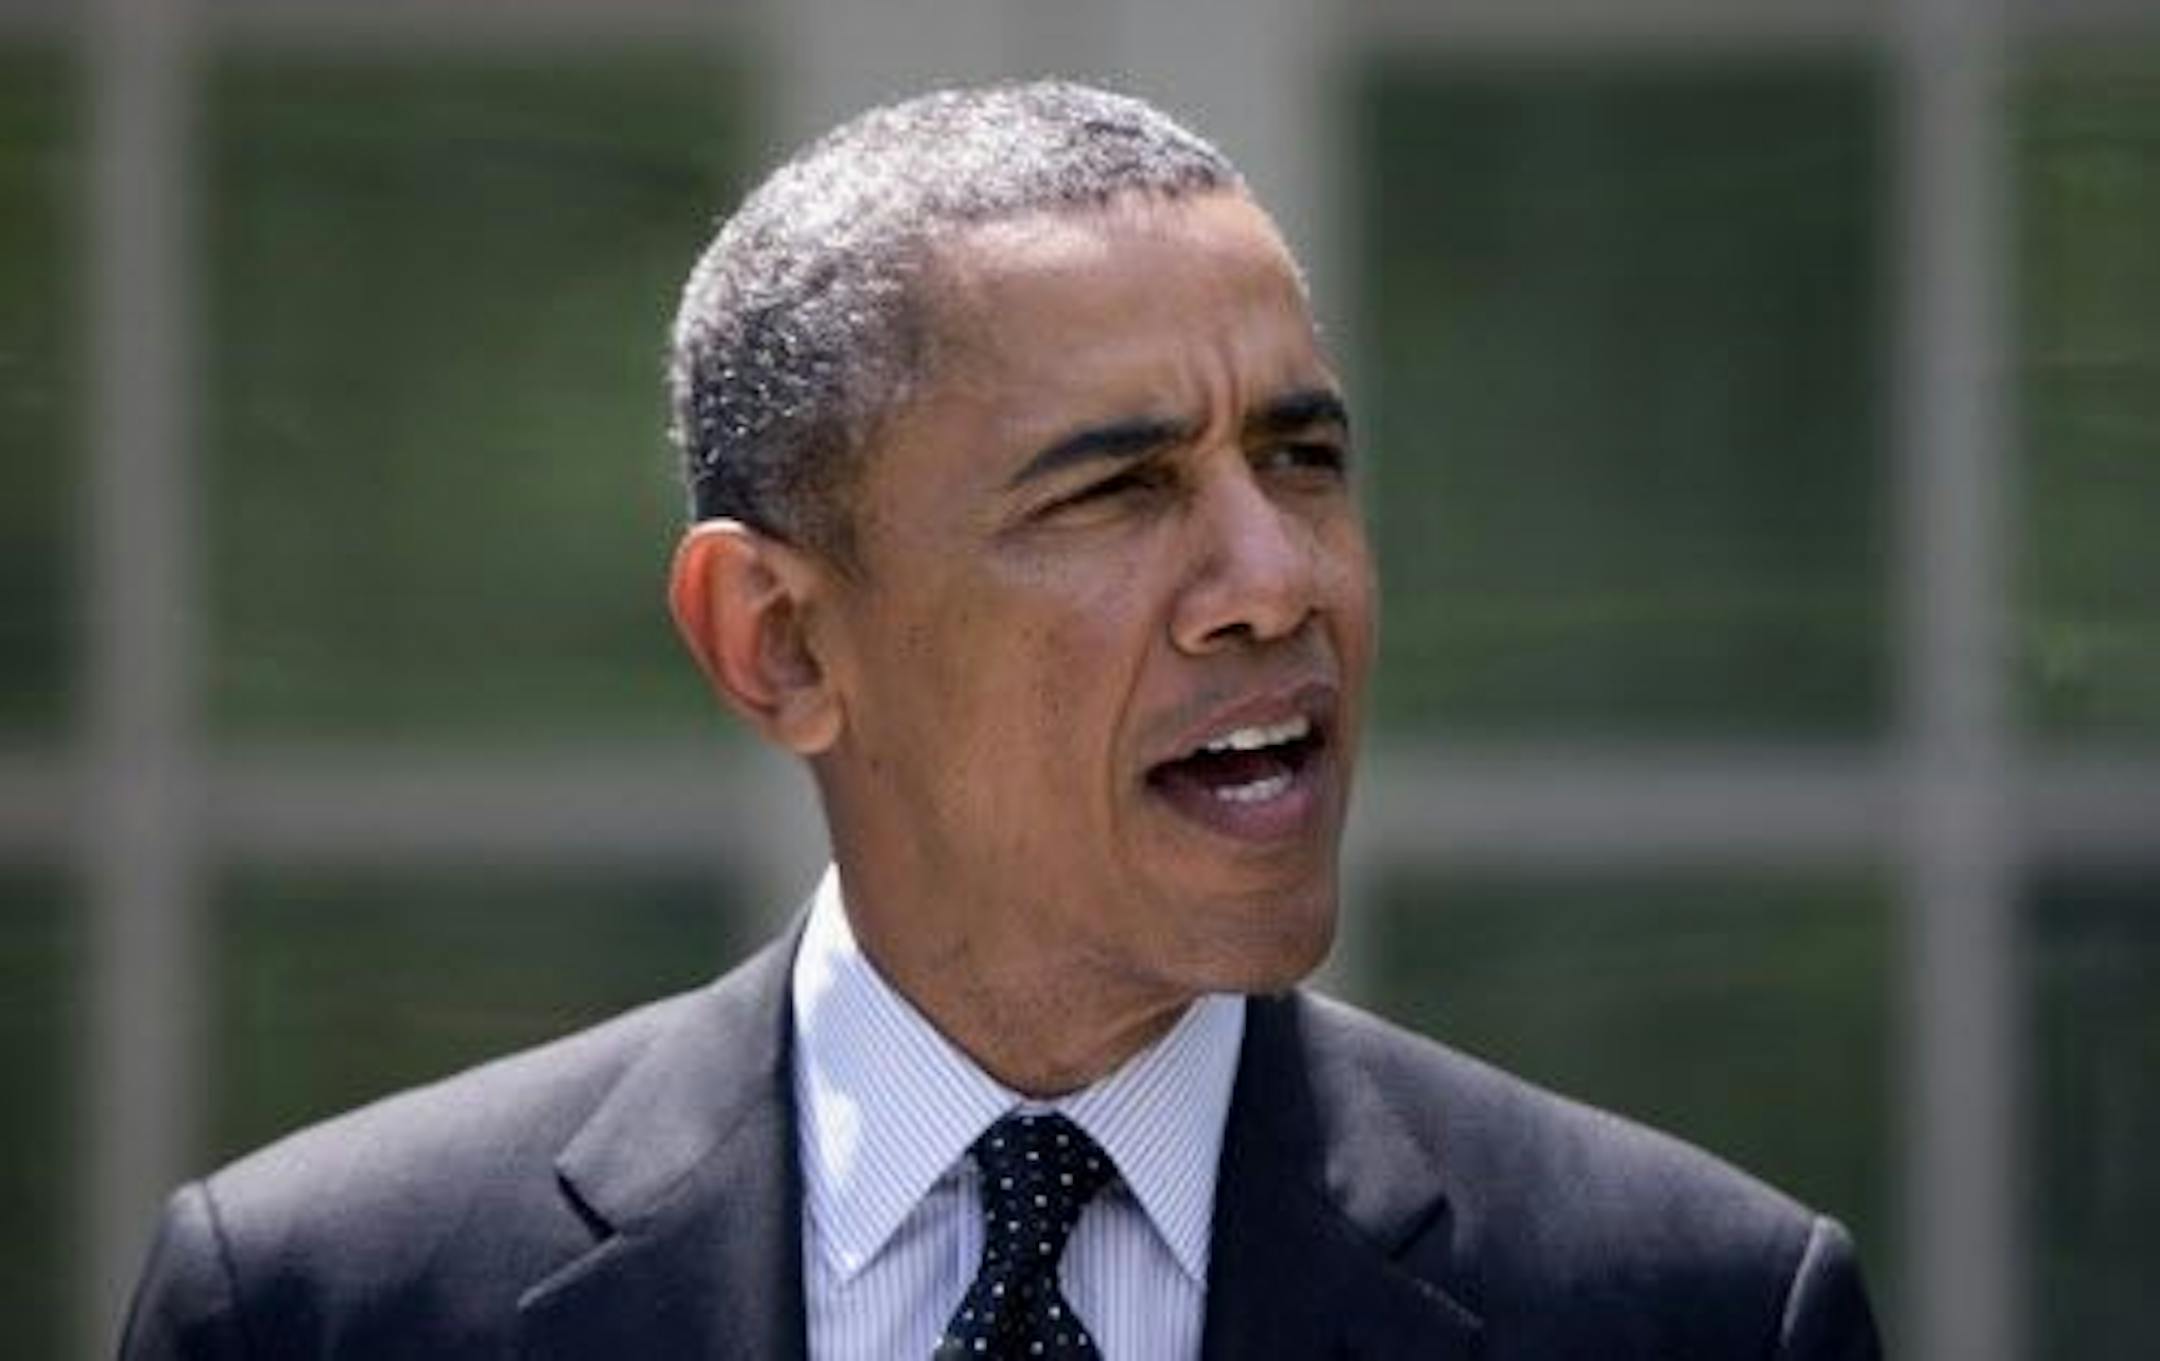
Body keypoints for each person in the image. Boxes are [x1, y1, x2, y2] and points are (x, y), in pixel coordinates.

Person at [120, 81, 1881, 1360]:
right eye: (1117, 489)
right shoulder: (321, 1304)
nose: (1275, 579)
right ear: (779, 643)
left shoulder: (1699, 1309)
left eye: (1301, 458)